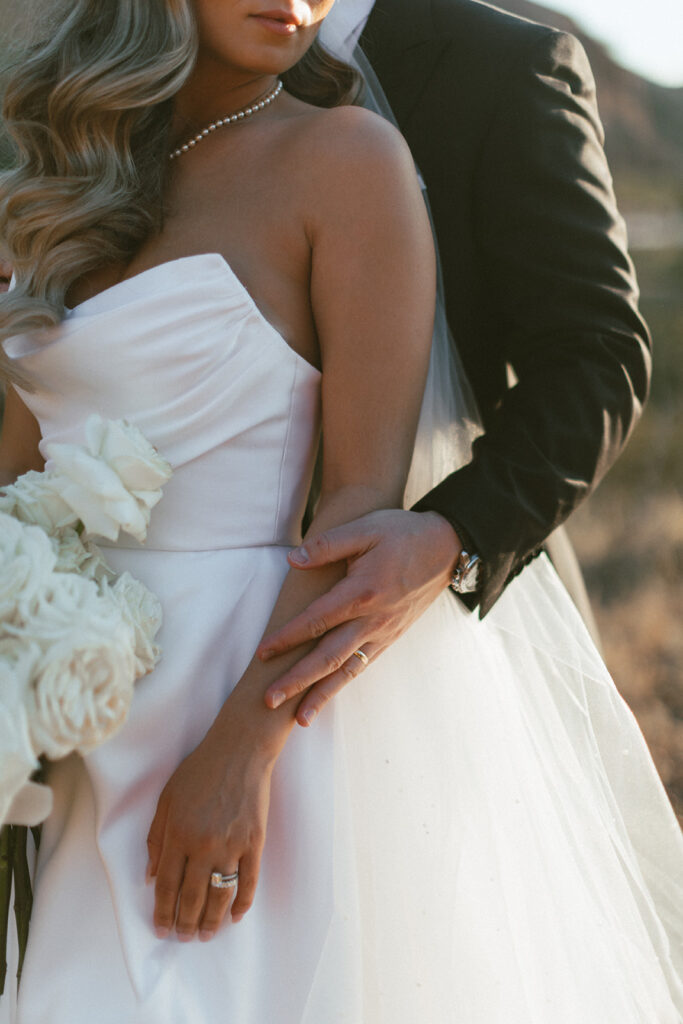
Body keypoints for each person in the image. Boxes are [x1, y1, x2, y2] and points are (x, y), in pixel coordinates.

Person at [0, 2, 681, 1022]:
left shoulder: (360, 152)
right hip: (77, 707)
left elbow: (581, 366)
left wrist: (242, 747)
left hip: (285, 673)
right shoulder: (56, 162)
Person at [257, 0, 650, 721]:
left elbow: (596, 357)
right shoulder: (155, 60)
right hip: (184, 606)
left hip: (429, 617)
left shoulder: (504, 63)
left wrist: (452, 539)